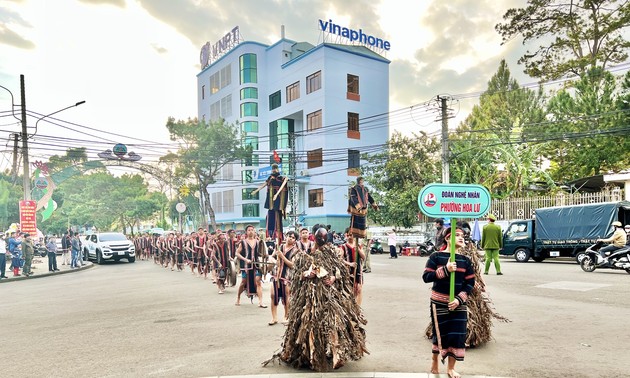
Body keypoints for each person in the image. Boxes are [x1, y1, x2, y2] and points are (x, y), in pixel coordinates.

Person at [264, 227, 367, 371]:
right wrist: (308, 274)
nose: (321, 241)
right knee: (308, 324)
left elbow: (341, 272)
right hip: (309, 297)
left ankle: (336, 355)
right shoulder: (306, 254)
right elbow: (297, 274)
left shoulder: (332, 254)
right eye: (320, 238)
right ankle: (307, 354)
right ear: (315, 238)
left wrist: (333, 277)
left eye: (324, 238)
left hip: (329, 296)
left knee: (333, 322)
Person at [422, 225, 475, 378]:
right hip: (438, 303)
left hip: (458, 305)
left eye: (462, 235)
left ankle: (451, 369)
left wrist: (459, 299)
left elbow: (470, 283)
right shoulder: (436, 257)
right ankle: (434, 360)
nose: (461, 237)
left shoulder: (465, 261)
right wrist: (445, 269)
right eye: (457, 235)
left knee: (457, 335)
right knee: (441, 334)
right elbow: (426, 277)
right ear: (447, 238)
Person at [251, 163, 288, 242]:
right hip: (271, 199)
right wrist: (256, 191)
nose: (274, 170)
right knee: (270, 215)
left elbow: (283, 185)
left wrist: (276, 194)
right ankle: (271, 235)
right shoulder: (270, 178)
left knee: (277, 217)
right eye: (273, 169)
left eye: (275, 168)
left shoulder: (281, 178)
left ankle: (277, 235)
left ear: (278, 169)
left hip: (277, 199)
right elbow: (264, 184)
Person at [269, 230, 298, 325]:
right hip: (276, 274)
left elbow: (293, 265)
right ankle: (274, 317)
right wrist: (273, 260)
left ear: (295, 240)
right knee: (273, 295)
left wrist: (282, 257)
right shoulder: (280, 246)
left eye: (293, 237)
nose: (290, 238)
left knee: (286, 296)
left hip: (287, 276)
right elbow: (271, 257)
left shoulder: (295, 250)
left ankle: (286, 316)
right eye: (289, 236)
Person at [234, 225, 267, 307]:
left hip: (256, 265)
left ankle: (261, 301)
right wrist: (245, 259)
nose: (251, 231)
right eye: (249, 230)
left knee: (258, 282)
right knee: (243, 282)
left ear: (254, 231)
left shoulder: (258, 242)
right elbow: (237, 253)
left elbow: (260, 253)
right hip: (246, 266)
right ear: (246, 232)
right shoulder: (243, 242)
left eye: (252, 230)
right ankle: (238, 297)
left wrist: (264, 255)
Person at [340, 227, 366, 306]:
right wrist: (349, 263)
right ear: (346, 235)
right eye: (349, 235)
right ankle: (351, 307)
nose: (350, 237)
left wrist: (358, 249)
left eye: (352, 235)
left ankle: (358, 307)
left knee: (358, 289)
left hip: (358, 271)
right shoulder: (343, 247)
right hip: (348, 272)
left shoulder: (358, 245)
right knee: (350, 290)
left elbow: (364, 257)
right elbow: (340, 259)